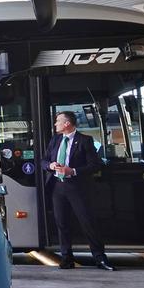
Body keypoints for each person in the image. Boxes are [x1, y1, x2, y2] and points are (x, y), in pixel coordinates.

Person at [40, 111, 115, 271]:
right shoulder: (55, 140)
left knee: (87, 222)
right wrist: (50, 166)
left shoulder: (85, 141)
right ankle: (67, 259)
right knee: (62, 223)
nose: (55, 124)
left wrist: (72, 171)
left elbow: (95, 165)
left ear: (67, 124)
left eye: (58, 121)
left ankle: (100, 258)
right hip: (58, 187)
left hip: (77, 188)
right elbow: (44, 160)